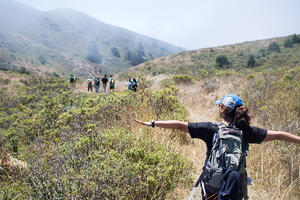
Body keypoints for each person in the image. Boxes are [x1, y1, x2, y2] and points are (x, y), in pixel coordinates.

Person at [134, 94, 300, 200]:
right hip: (236, 182)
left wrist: (154, 123)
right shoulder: (247, 131)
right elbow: (279, 135)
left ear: (222, 109)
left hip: (213, 182)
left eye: (219, 105)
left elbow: (179, 125)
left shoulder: (210, 128)